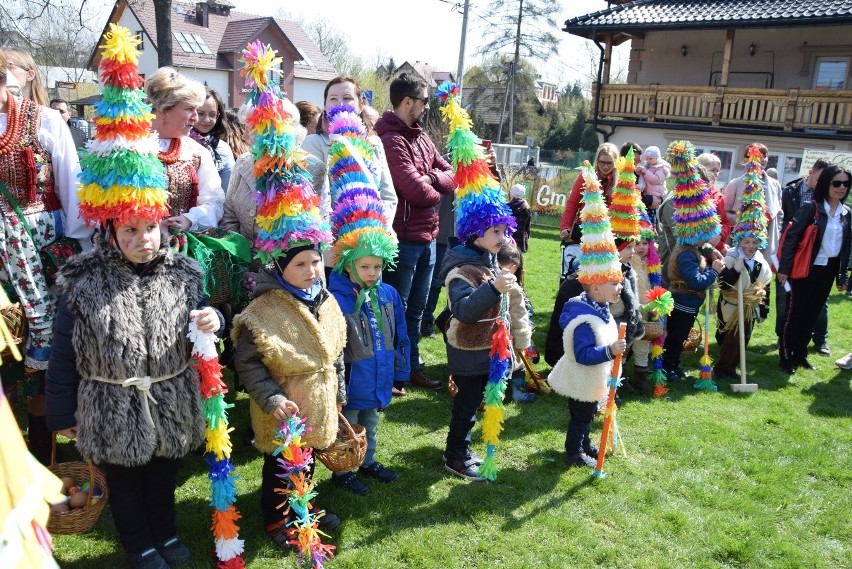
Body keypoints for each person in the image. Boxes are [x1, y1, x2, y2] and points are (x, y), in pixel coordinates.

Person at [46, 30, 221, 567]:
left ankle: (166, 532)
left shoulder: (185, 272)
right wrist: (62, 410)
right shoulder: (81, 280)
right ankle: (139, 541)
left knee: (164, 473)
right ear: (110, 232)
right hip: (111, 403)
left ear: (162, 227)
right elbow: (63, 353)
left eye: (150, 229)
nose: (143, 240)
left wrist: (210, 320)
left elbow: (205, 325)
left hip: (169, 397)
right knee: (124, 481)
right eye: (130, 232)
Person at [0, 49, 92, 465]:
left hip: (36, 247)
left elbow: (72, 188)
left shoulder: (46, 120)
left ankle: (44, 453)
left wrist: (75, 249)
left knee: (46, 337)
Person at [326, 103, 408, 492]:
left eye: (377, 267)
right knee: (349, 422)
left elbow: (401, 335)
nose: (372, 274)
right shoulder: (337, 298)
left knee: (371, 421)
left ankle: (368, 460)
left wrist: (401, 370)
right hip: (353, 379)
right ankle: (345, 470)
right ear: (347, 264)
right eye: (365, 267)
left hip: (378, 376)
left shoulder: (388, 294)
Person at [375, 72, 454, 389]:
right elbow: (415, 191)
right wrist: (433, 182)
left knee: (418, 310)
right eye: (423, 102)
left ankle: (411, 367)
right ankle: (392, 372)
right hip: (403, 240)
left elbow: (450, 174)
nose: (426, 108)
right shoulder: (390, 139)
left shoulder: (421, 137)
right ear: (407, 102)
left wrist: (430, 177)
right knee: (396, 308)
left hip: (429, 239)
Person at [548, 160, 626, 468]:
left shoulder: (602, 307)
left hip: (594, 379)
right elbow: (583, 354)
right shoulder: (583, 317)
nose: (619, 288)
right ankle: (574, 451)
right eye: (613, 283)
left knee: (590, 414)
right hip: (582, 377)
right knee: (580, 416)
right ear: (594, 287)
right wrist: (609, 350)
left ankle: (585, 444)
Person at [301, 76, 398, 273]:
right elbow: (313, 199)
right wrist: (345, 231)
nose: (340, 104)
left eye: (347, 98)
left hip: (372, 248)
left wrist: (372, 226)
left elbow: (388, 195)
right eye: (333, 99)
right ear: (325, 105)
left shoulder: (374, 144)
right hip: (334, 251)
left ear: (361, 104)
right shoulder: (314, 143)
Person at [778, 165, 851, 374]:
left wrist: (842, 275)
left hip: (827, 271)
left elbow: (845, 247)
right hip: (804, 269)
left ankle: (800, 354)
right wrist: (784, 269)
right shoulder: (812, 208)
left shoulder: (846, 213)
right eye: (836, 183)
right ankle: (785, 356)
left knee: (812, 314)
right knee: (794, 313)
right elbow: (792, 238)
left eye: (846, 184)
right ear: (826, 184)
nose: (841, 187)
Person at [662, 141, 724, 387]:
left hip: (687, 286)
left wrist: (709, 249)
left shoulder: (692, 228)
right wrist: (711, 269)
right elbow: (686, 243)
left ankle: (672, 364)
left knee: (677, 333)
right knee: (674, 333)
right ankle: (667, 365)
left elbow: (696, 239)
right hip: (678, 284)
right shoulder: (673, 207)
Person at [145, 67, 225, 233]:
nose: (195, 117)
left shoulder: (196, 152)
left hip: (180, 249)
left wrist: (189, 219)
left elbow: (214, 202)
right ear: (163, 108)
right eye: (189, 109)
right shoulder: (125, 148)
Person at [776, 159, 831, 355]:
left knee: (818, 302)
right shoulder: (790, 191)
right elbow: (782, 222)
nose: (824, 182)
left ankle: (820, 339)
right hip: (789, 251)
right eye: (821, 176)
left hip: (813, 255)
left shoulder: (828, 198)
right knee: (784, 297)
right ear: (811, 172)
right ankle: (781, 337)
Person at [714, 235, 771, 379]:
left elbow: (765, 287)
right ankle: (722, 369)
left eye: (755, 242)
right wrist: (735, 271)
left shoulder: (761, 262)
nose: (751, 246)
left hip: (749, 307)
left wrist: (764, 310)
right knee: (731, 339)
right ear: (739, 242)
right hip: (731, 306)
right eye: (746, 242)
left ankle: (731, 367)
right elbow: (723, 285)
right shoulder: (730, 259)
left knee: (744, 338)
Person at [559, 142, 619, 279]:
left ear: (615, 162)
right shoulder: (585, 176)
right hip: (584, 235)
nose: (605, 166)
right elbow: (573, 204)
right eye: (602, 162)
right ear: (597, 160)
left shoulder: (620, 182)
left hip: (608, 239)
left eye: (609, 163)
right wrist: (565, 226)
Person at [724, 143, 783, 258]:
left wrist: (776, 232)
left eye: (764, 156)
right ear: (746, 159)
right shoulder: (735, 184)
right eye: (757, 155)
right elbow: (724, 213)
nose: (761, 159)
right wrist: (744, 220)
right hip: (740, 239)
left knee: (760, 273)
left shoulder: (775, 185)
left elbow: (779, 212)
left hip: (766, 239)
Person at [497, 241, 536, 403]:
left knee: (498, 365)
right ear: (514, 266)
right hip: (509, 337)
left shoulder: (489, 278)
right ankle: (518, 392)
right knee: (517, 364)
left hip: (494, 336)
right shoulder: (513, 287)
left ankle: (495, 394)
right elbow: (519, 317)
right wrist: (523, 342)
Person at [190, 87, 235, 191]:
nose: (206, 120)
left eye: (212, 115)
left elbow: (227, 192)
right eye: (200, 113)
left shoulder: (222, 148)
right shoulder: (178, 143)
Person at [635, 145, 670, 223]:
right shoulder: (647, 166)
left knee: (653, 217)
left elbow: (655, 180)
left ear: (657, 158)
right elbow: (643, 178)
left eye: (650, 159)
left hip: (655, 194)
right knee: (646, 217)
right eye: (647, 159)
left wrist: (645, 171)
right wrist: (639, 171)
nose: (648, 161)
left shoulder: (661, 168)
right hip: (647, 194)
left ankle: (655, 228)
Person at [507, 184, 531, 253]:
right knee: (518, 259)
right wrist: (527, 237)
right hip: (521, 237)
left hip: (508, 236)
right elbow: (527, 226)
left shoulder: (507, 206)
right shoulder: (526, 207)